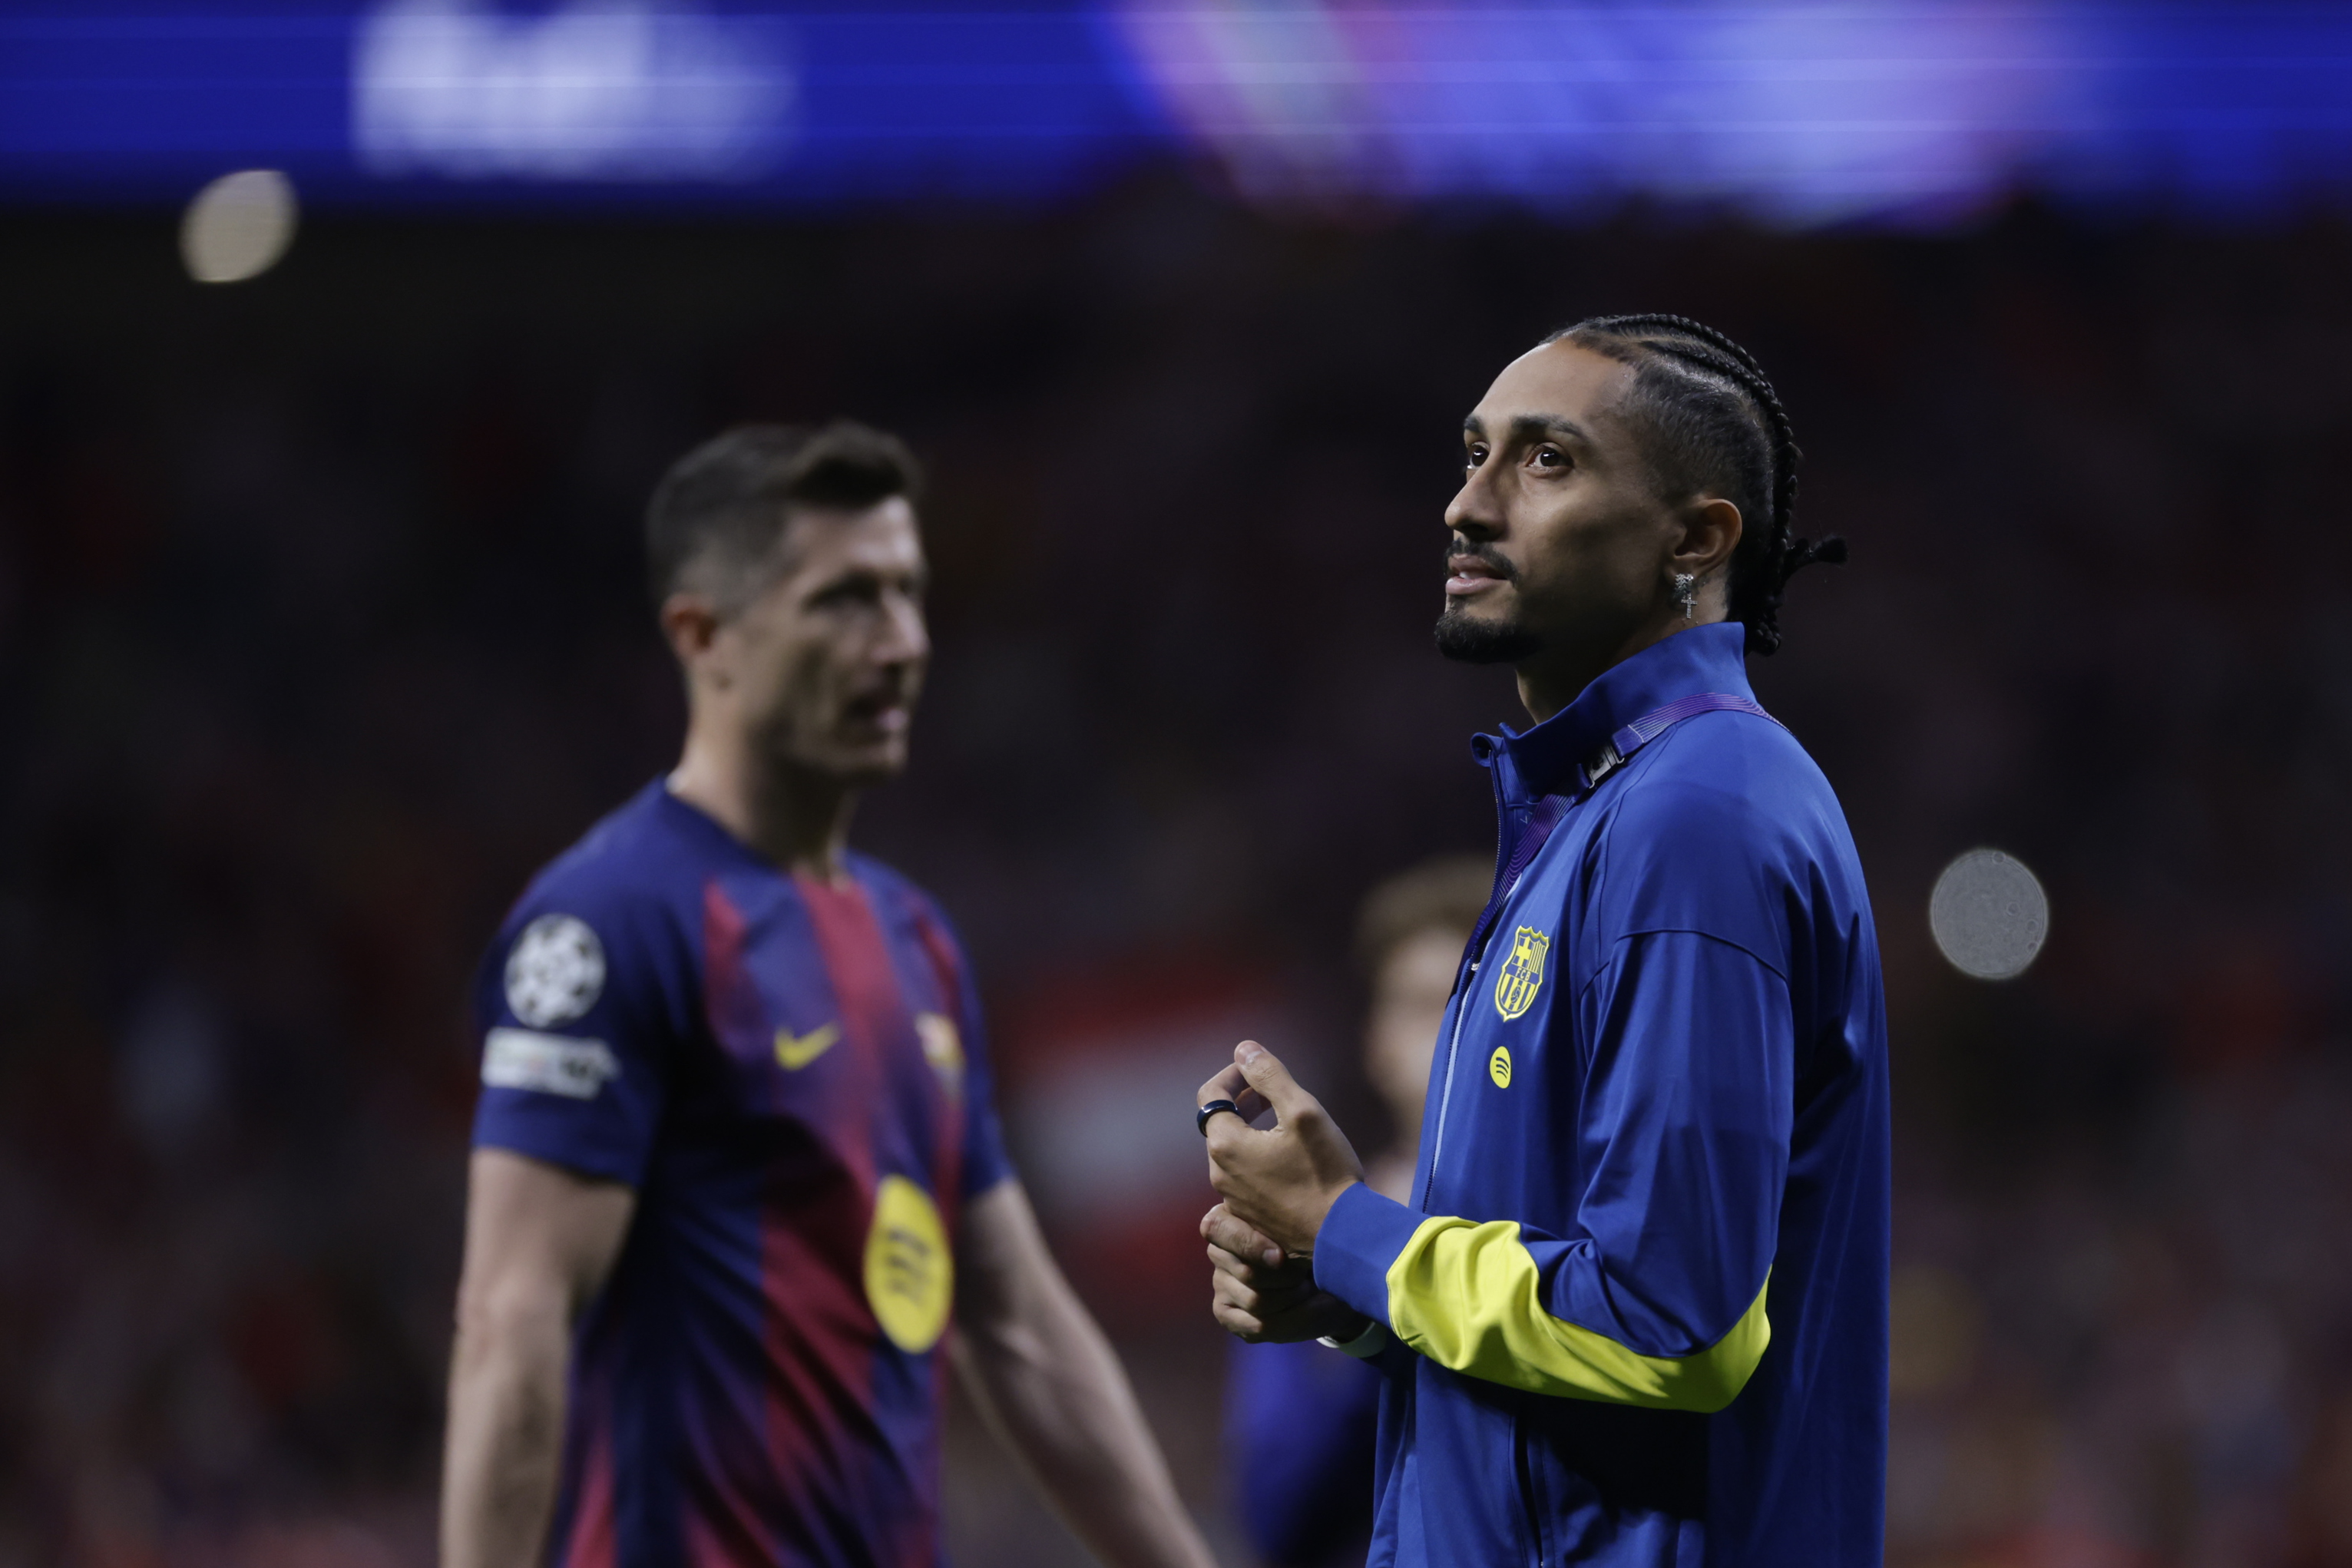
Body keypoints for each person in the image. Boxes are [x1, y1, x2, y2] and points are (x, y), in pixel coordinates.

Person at [442, 422, 1219, 1568]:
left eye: (908, 594)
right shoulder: (612, 921)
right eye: (844, 600)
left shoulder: (913, 937)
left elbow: (1015, 1320)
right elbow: (510, 1321)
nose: (900, 642)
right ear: (704, 633)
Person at [1196, 315, 1887, 1566]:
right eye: (1471, 454)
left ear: (1694, 538)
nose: (1465, 503)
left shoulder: (1697, 818)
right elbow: (1556, 1342)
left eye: (1544, 461)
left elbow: (1669, 1322)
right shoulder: (1595, 823)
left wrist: (1349, 1226)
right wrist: (1347, 1294)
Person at [1221, 857, 1489, 1567]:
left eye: (1475, 1000)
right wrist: (1368, 1287)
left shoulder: (1588, 1227)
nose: (1449, 1032)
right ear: (1377, 1044)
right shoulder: (1308, 1234)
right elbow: (1276, 1509)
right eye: (1422, 1004)